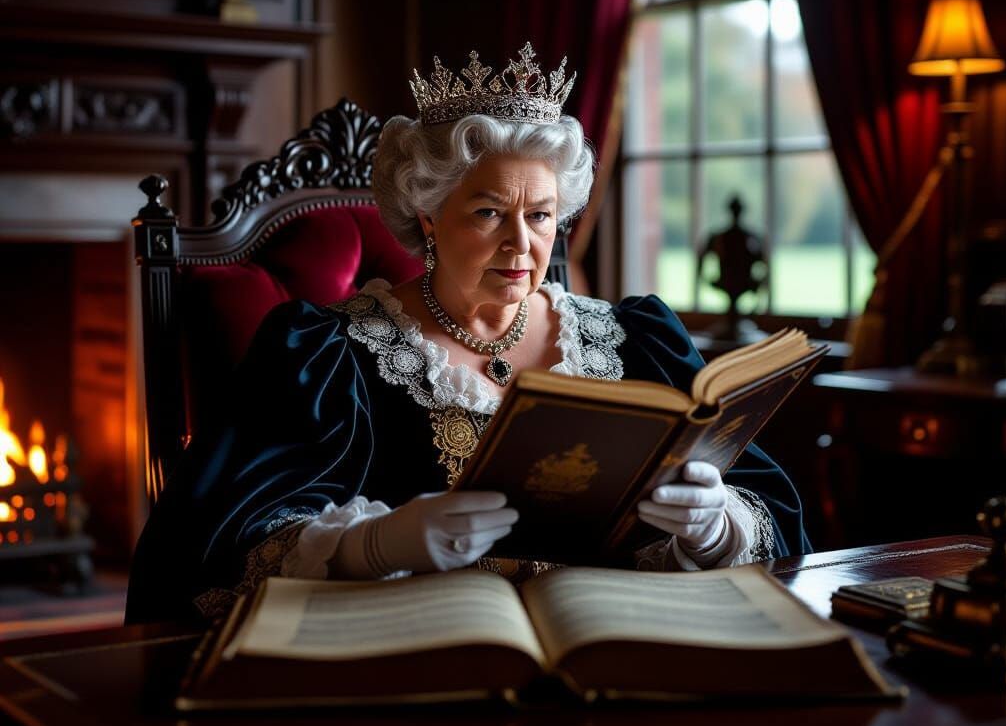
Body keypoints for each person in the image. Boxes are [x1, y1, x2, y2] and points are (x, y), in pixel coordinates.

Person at [126, 44, 810, 623]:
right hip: (417, 669)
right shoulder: (325, 357)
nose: (521, 244)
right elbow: (216, 551)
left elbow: (771, 512)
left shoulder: (635, 340)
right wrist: (377, 545)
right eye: (488, 212)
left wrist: (716, 525)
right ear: (428, 216)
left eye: (541, 216)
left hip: (614, 647)